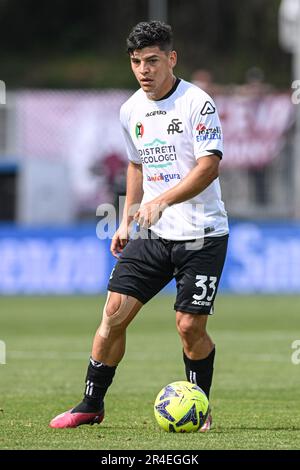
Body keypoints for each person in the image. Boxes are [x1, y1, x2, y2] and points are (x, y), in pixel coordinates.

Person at [50, 20, 229, 432]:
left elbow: (209, 167)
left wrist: (162, 201)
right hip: (151, 232)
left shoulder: (197, 103)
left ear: (171, 58)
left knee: (189, 326)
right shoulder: (131, 108)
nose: (144, 70)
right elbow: (137, 163)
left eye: (152, 61)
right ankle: (91, 405)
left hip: (202, 233)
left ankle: (198, 407)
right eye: (136, 62)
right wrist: (128, 217)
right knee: (112, 315)